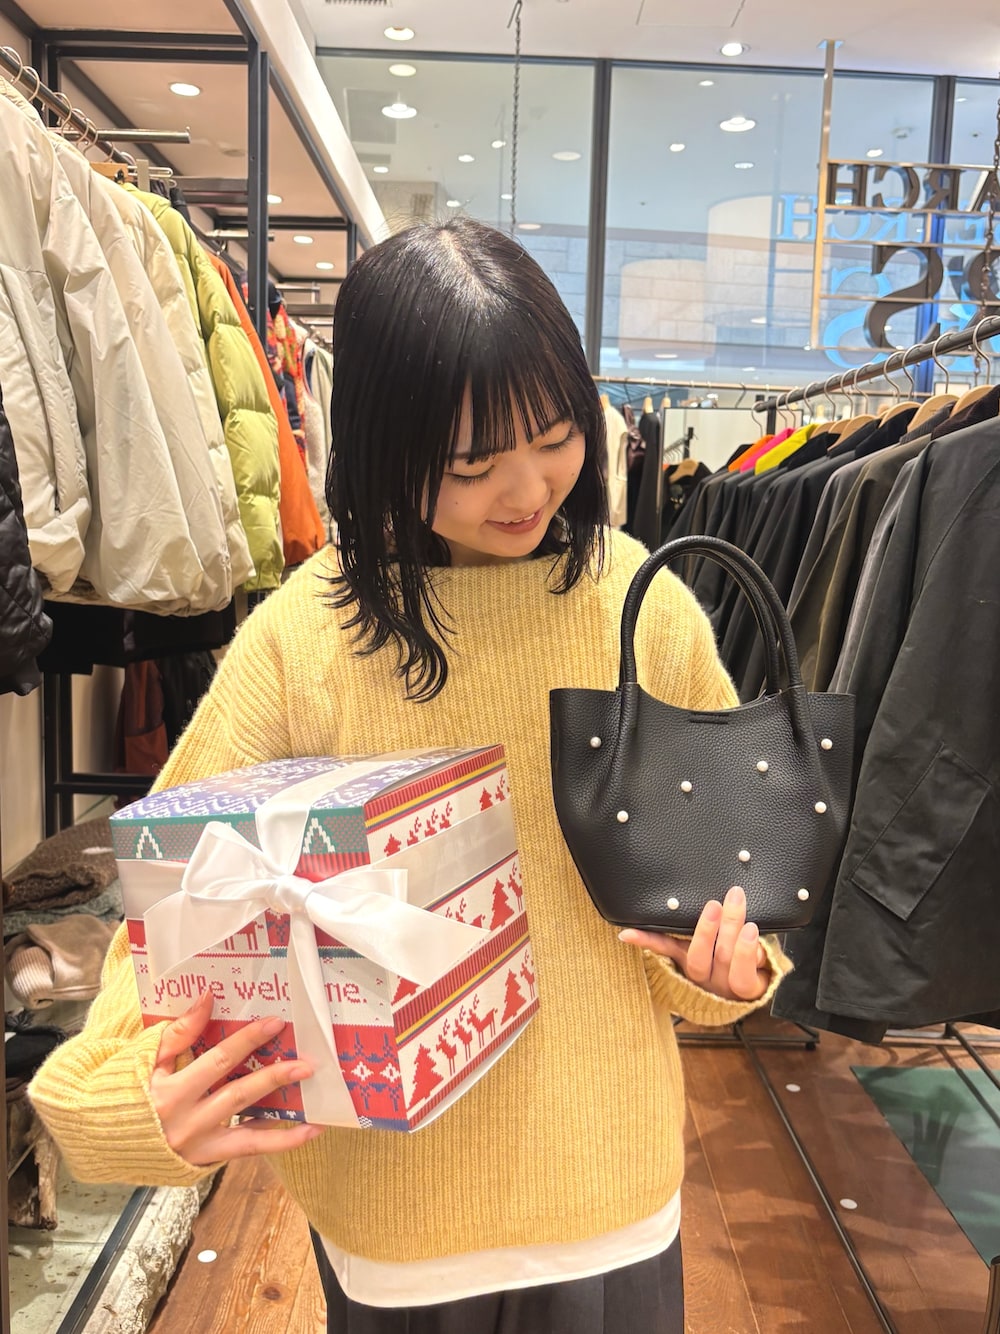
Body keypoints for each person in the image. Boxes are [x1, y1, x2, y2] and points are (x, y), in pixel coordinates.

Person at [30, 218, 790, 1333]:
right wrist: (118, 1093)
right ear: (385, 444)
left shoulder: (643, 608)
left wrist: (729, 967)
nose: (527, 489)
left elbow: (727, 903)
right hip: (394, 1217)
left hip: (611, 1190)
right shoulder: (306, 637)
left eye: (555, 438)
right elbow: (177, 888)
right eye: (472, 465)